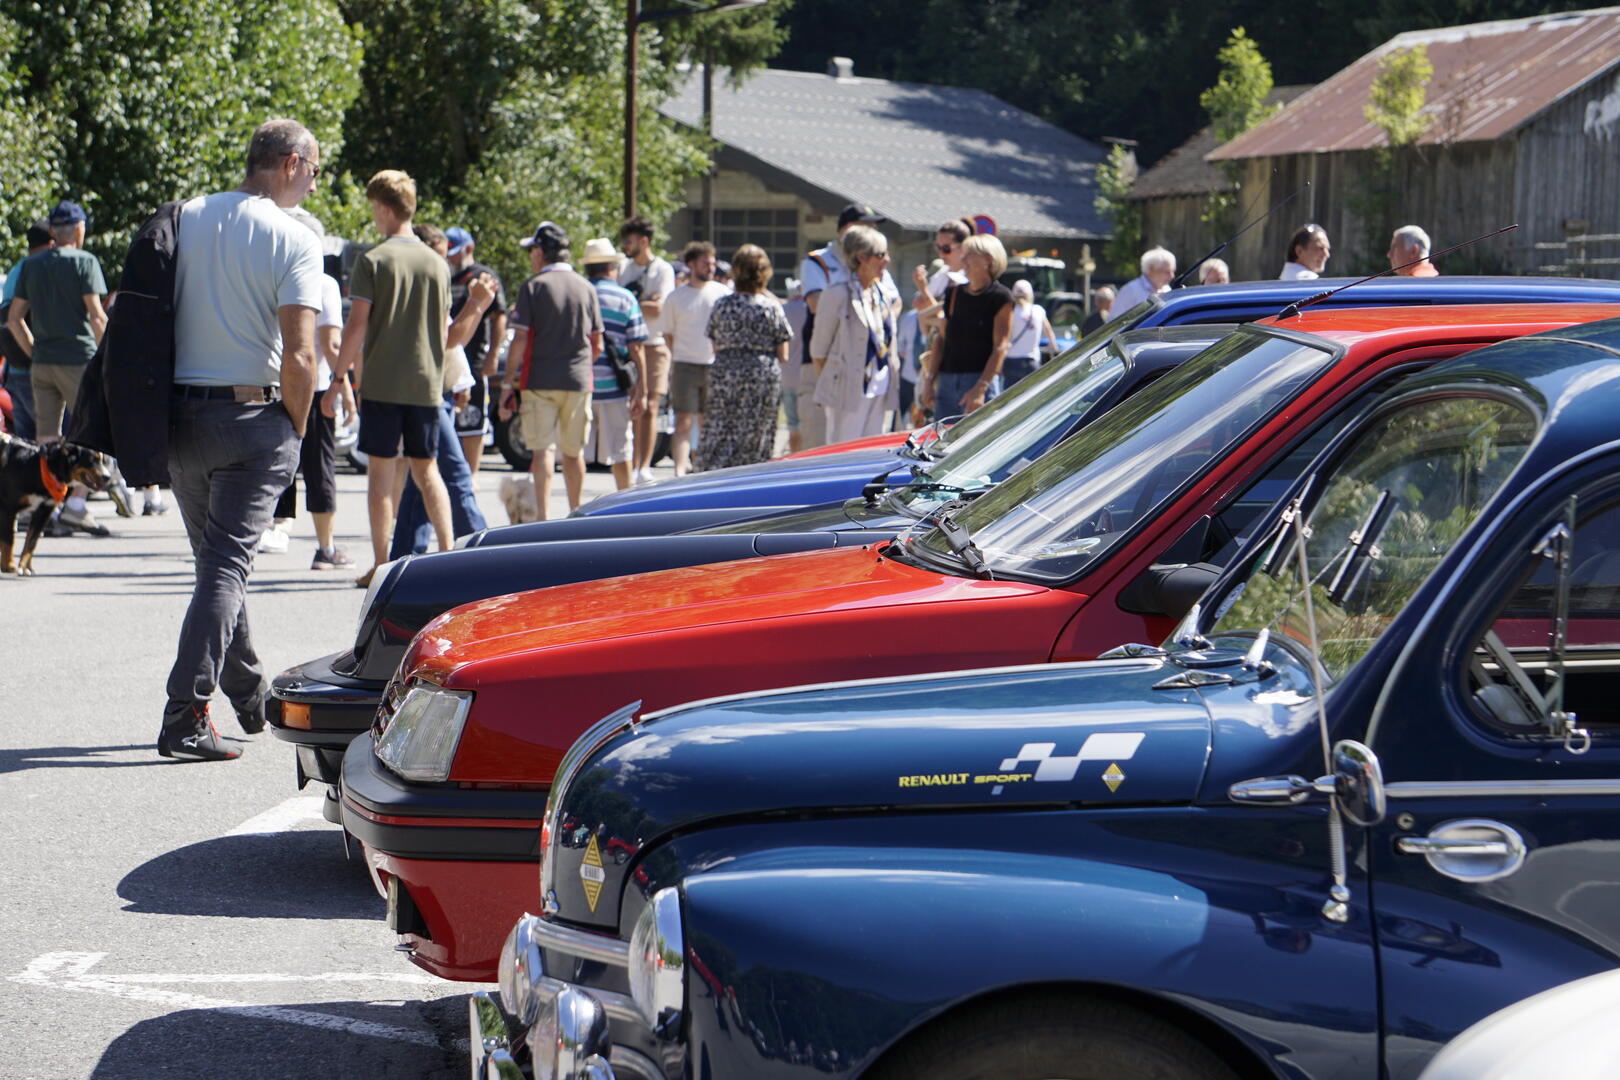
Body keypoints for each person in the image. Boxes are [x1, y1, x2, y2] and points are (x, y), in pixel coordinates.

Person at [160, 117, 325, 761]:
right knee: (225, 567)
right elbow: (302, 356)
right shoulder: (294, 239)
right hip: (254, 420)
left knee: (217, 567)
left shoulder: (186, 216)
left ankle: (251, 694)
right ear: (288, 163)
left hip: (179, 420)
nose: (313, 184)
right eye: (313, 170)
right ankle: (184, 712)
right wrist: (296, 425)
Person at [325, 170, 456, 587]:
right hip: (425, 382)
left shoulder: (373, 260)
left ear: (383, 208)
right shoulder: (438, 264)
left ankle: (382, 567)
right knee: (427, 469)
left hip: (382, 381)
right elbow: (442, 328)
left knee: (380, 475)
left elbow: (357, 325)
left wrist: (338, 377)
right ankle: (450, 555)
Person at [8, 201, 111, 535]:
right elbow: (96, 316)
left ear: (52, 232)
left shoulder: (31, 266)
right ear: (79, 230)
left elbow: (14, 319)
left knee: (46, 439)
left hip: (42, 364)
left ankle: (47, 507)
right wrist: (109, 356)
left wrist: (34, 351)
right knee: (92, 431)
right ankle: (77, 506)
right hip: (78, 360)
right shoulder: (85, 262)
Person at [499, 221, 602, 517]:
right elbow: (597, 343)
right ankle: (576, 513)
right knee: (574, 453)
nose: (531, 256)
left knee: (542, 451)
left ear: (542, 252)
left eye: (532, 250)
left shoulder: (532, 287)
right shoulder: (586, 287)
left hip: (538, 380)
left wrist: (508, 383)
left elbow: (519, 340)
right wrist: (580, 365)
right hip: (578, 379)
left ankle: (543, 518)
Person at [272, 206, 354, 569]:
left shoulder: (272, 275)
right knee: (319, 466)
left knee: (275, 461)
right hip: (316, 384)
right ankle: (325, 547)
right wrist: (344, 385)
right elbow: (332, 344)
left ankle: (270, 529)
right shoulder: (324, 283)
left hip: (273, 381)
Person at [799, 204, 899, 448]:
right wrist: (833, 386)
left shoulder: (881, 291)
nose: (887, 260)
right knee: (844, 451)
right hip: (847, 388)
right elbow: (819, 349)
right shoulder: (837, 292)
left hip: (880, 383)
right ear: (861, 257)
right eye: (880, 254)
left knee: (873, 452)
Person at [702, 244, 791, 470]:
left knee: (721, 428)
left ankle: (714, 474)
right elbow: (784, 354)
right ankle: (753, 475)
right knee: (757, 432)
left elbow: (715, 344)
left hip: (725, 371)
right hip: (761, 374)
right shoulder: (771, 307)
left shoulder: (721, 305)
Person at [920, 233, 1012, 421]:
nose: (962, 259)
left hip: (978, 383)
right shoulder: (953, 293)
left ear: (987, 260)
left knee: (978, 446)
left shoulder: (1001, 297)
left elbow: (1000, 347)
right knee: (942, 446)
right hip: (946, 382)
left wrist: (980, 388)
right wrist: (929, 381)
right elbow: (942, 338)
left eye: (968, 254)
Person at [581, 237, 648, 490]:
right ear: (612, 267)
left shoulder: (580, 293)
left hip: (582, 386)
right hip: (615, 388)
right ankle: (625, 503)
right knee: (621, 452)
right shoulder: (625, 298)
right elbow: (637, 346)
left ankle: (576, 507)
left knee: (576, 453)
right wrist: (642, 388)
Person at [662, 240, 727, 476]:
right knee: (682, 422)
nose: (711, 267)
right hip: (684, 365)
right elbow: (667, 334)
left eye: (712, 262)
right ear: (691, 264)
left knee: (707, 423)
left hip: (714, 365)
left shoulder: (722, 294)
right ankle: (680, 470)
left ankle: (702, 470)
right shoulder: (676, 297)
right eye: (705, 262)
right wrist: (682, 354)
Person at [444, 225, 506, 473]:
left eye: (454, 253)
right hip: (449, 357)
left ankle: (471, 474)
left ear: (468, 249)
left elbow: (498, 317)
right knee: (453, 421)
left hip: (475, 359)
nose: (450, 258)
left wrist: (492, 355)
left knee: (472, 421)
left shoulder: (483, 276)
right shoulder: (445, 276)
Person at [618, 216, 675, 485]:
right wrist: (644, 302)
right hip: (630, 345)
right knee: (633, 406)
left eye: (629, 241)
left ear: (644, 241)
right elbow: (631, 306)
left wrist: (634, 302)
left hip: (655, 345)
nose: (624, 246)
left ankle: (644, 466)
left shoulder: (662, 270)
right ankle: (631, 463)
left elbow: (660, 308)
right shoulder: (624, 269)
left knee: (652, 405)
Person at [1, 220, 53, 441]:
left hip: (13, 373)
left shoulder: (15, 271)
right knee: (56, 449)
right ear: (52, 244)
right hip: (36, 375)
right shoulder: (42, 271)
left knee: (27, 449)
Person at [1004, 279, 1056, 387]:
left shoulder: (1009, 311)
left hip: (1011, 362)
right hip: (1031, 363)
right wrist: (1052, 347)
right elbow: (1049, 333)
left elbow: (1005, 337)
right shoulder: (1038, 310)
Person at [1108, 247, 1176, 320]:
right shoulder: (1130, 290)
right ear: (1151, 270)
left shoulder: (1167, 289)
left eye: (1172, 271)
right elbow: (1114, 321)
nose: (1172, 276)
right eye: (1166, 272)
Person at [781, 278, 808, 452]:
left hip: (786, 375)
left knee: (792, 426)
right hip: (806, 375)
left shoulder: (783, 310)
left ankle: (794, 455)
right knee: (807, 424)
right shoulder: (811, 310)